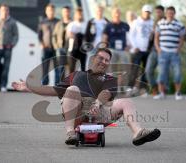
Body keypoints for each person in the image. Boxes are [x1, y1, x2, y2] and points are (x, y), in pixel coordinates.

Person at [12, 48, 161, 146]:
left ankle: (138, 132)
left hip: (99, 113)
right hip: (76, 112)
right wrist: (29, 87)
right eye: (101, 58)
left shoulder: (110, 79)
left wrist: (97, 104)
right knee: (72, 89)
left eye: (107, 60)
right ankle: (70, 133)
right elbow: (53, 90)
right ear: (92, 59)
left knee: (125, 101)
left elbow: (106, 93)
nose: (104, 62)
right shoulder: (77, 75)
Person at [153, 6, 185, 100]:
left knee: (177, 72)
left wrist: (178, 49)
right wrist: (158, 49)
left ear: (174, 14)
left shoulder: (179, 24)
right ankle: (161, 93)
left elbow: (182, 38)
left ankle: (178, 93)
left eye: (172, 13)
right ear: (166, 13)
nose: (170, 14)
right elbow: (156, 38)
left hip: (174, 52)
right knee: (162, 72)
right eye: (168, 13)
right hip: (163, 52)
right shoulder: (160, 23)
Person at [127, 4, 154, 95]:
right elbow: (131, 35)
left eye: (149, 12)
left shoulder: (152, 22)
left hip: (147, 50)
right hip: (137, 50)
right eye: (146, 12)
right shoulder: (136, 22)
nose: (147, 14)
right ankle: (130, 88)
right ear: (142, 12)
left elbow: (153, 36)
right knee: (134, 69)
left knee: (145, 70)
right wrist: (135, 46)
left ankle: (143, 89)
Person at [102, 7, 130, 91]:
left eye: (118, 12)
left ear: (120, 13)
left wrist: (129, 45)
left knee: (125, 68)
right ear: (112, 14)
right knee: (111, 68)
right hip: (112, 49)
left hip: (123, 50)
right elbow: (104, 38)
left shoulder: (125, 25)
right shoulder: (108, 25)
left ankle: (124, 87)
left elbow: (130, 37)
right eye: (115, 12)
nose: (117, 14)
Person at [145, 5, 165, 96]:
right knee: (148, 70)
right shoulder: (154, 22)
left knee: (162, 72)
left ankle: (162, 91)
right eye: (156, 12)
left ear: (163, 12)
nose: (157, 14)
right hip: (153, 49)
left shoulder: (166, 21)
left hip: (163, 50)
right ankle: (154, 89)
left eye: (159, 12)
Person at [38, 3, 59, 85]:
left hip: (55, 48)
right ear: (46, 11)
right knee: (45, 68)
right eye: (49, 10)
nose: (51, 12)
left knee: (57, 67)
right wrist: (42, 44)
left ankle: (57, 84)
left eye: (52, 10)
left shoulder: (58, 22)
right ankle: (45, 84)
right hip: (45, 48)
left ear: (54, 11)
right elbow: (39, 35)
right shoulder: (42, 22)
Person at [52, 6, 72, 79]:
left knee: (70, 68)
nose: (66, 13)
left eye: (67, 11)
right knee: (61, 68)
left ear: (69, 12)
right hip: (60, 48)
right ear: (62, 13)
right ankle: (61, 85)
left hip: (70, 49)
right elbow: (54, 36)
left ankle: (69, 85)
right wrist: (56, 47)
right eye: (64, 12)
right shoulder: (58, 24)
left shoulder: (73, 23)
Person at [66, 7, 87, 72]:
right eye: (78, 14)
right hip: (73, 49)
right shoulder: (71, 24)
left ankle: (82, 81)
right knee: (71, 68)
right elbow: (69, 34)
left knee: (83, 67)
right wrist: (76, 35)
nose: (79, 16)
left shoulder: (86, 24)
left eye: (81, 14)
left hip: (82, 49)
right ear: (75, 15)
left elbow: (88, 35)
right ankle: (71, 82)